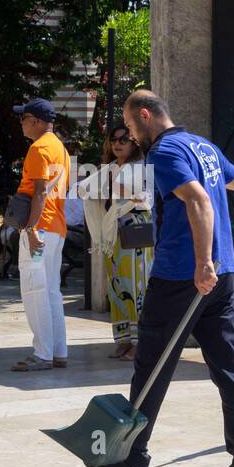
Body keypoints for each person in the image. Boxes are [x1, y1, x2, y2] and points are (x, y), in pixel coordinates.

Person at [91, 89, 234, 467]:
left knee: (152, 365)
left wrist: (201, 262)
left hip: (182, 276)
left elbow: (199, 203)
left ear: (145, 114)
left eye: (131, 126)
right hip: (222, 277)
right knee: (227, 367)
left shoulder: (165, 152)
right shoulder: (205, 148)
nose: (130, 136)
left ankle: (133, 457)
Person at [9, 97, 70, 372]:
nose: (21, 123)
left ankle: (42, 354)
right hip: (56, 227)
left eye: (24, 118)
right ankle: (58, 351)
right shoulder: (60, 149)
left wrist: (32, 229)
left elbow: (40, 192)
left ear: (35, 121)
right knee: (52, 292)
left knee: (34, 290)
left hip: (39, 227)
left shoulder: (38, 149)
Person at [95, 122, 153, 361]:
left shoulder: (142, 166)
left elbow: (147, 200)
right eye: (114, 139)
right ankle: (124, 340)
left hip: (135, 231)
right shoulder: (108, 168)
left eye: (123, 139)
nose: (117, 143)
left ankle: (141, 343)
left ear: (133, 143)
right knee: (116, 286)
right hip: (113, 234)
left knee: (137, 287)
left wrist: (121, 190)